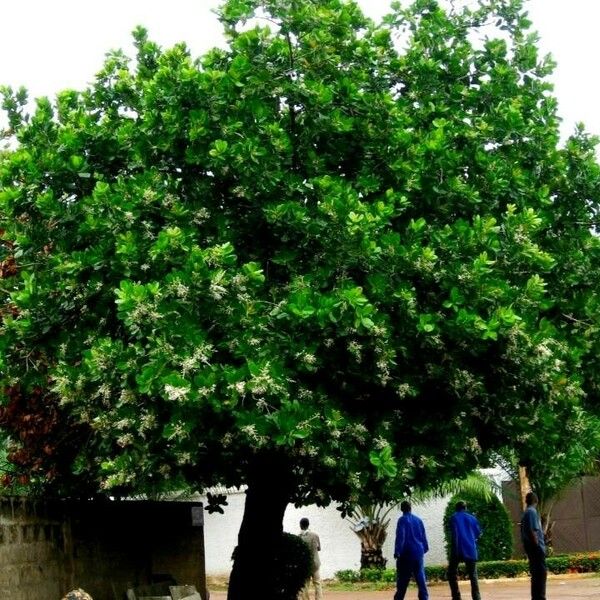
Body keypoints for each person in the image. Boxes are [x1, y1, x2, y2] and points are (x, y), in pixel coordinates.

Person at [394, 500, 429, 600]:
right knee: (420, 578)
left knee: (403, 580)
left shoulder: (402, 520)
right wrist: (424, 549)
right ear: (410, 508)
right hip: (418, 552)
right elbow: (423, 536)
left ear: (401, 509)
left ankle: (399, 598)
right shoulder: (418, 520)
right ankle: (424, 598)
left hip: (406, 553)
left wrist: (397, 552)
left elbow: (401, 537)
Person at [447, 500, 482, 600]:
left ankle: (456, 596)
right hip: (470, 549)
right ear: (465, 508)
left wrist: (453, 550)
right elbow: (478, 533)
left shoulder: (453, 518)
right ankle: (477, 597)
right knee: (473, 576)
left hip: (458, 549)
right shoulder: (472, 518)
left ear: (456, 508)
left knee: (451, 573)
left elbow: (454, 535)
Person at [521, 491, 547, 600]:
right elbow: (533, 531)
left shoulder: (526, 512)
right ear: (536, 500)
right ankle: (540, 597)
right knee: (541, 574)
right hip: (536, 549)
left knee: (536, 575)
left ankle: (536, 597)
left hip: (531, 549)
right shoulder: (532, 512)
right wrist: (538, 547)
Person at [299, 517, 322, 600]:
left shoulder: (299, 537)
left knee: (305, 584)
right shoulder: (315, 535)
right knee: (317, 583)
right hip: (315, 563)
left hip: (305, 565)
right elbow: (319, 548)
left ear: (300, 525)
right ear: (308, 525)